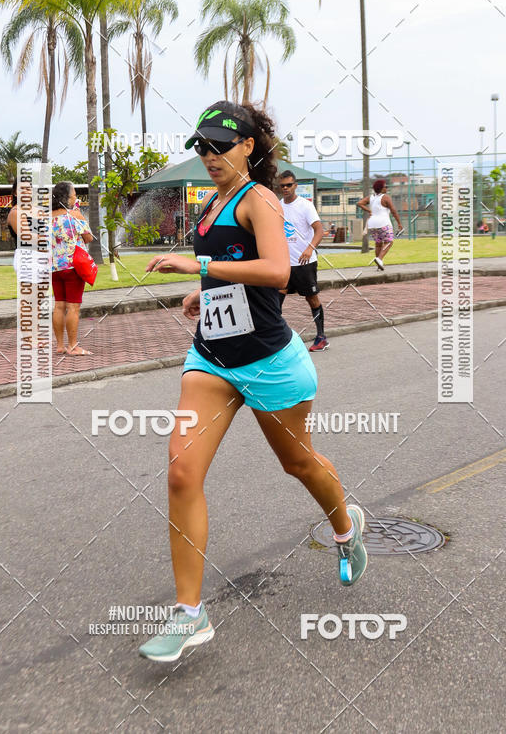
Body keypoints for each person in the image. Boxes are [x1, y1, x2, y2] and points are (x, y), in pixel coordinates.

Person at [138, 101, 367, 663]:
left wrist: (201, 271)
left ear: (249, 147)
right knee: (181, 472)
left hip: (269, 361)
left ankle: (346, 524)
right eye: (202, 146)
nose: (208, 155)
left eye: (220, 145)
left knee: (299, 463)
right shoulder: (211, 203)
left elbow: (277, 272)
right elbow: (234, 274)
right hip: (212, 359)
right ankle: (190, 613)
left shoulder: (259, 199)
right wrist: (204, 295)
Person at [278, 170, 329, 352]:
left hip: (304, 264)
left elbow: (319, 230)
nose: (285, 188)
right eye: (282, 185)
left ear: (295, 185)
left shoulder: (305, 206)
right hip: (285, 264)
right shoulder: (277, 205)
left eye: (289, 185)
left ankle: (321, 337)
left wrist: (309, 248)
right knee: (276, 300)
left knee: (311, 298)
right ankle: (277, 340)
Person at [51, 181, 94, 356]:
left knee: (59, 306)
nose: (76, 196)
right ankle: (73, 346)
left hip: (54, 267)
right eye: (74, 193)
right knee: (73, 308)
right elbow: (88, 238)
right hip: (72, 266)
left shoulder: (47, 217)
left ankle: (60, 346)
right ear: (67, 197)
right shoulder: (75, 216)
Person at [357, 179, 403, 270]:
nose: (387, 188)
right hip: (383, 223)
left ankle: (379, 265)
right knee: (389, 242)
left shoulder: (371, 197)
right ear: (381, 189)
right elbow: (393, 211)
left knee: (378, 244)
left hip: (372, 224)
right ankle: (379, 259)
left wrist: (368, 210)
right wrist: (399, 223)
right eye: (385, 186)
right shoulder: (385, 197)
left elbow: (359, 203)